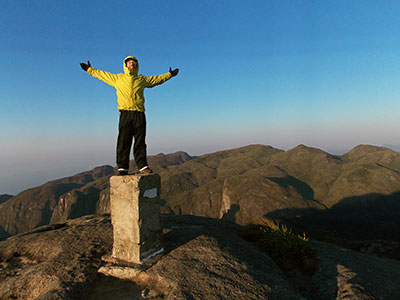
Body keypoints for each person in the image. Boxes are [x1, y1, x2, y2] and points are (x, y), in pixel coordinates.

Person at [80, 56, 179, 175]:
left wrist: (169, 75)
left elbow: (156, 80)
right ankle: (122, 168)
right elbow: (102, 75)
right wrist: (89, 70)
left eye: (134, 62)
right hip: (125, 114)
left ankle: (142, 166)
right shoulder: (118, 78)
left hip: (139, 114)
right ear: (125, 65)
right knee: (123, 141)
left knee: (140, 141)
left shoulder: (141, 79)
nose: (132, 64)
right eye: (130, 62)